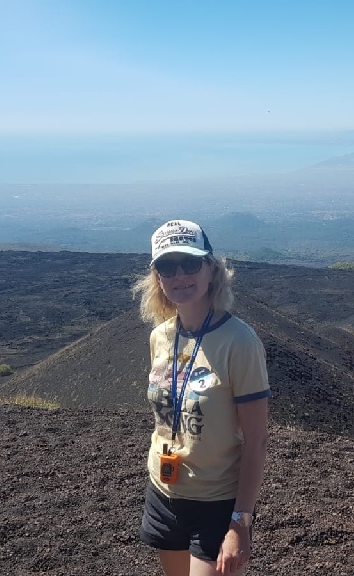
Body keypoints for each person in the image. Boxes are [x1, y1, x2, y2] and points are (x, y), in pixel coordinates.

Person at [132, 219, 271, 576]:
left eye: (190, 263)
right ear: (157, 277)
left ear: (212, 269)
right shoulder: (160, 337)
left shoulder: (239, 342)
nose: (179, 275)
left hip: (216, 501)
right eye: (167, 265)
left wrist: (240, 523)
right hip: (163, 492)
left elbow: (256, 442)